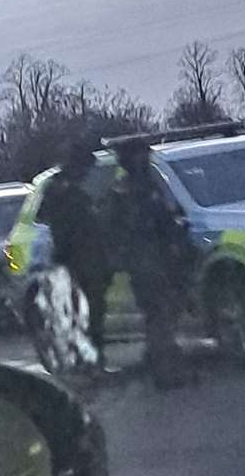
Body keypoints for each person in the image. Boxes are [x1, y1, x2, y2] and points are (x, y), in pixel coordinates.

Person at [111, 138, 193, 389]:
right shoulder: (133, 191)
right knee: (159, 316)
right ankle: (165, 372)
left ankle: (160, 363)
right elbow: (147, 226)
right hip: (147, 264)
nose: (146, 158)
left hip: (152, 262)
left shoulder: (142, 186)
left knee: (160, 316)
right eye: (141, 154)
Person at [38, 135, 113, 367]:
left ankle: (92, 361)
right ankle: (87, 363)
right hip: (75, 261)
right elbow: (58, 224)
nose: (86, 173)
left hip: (86, 260)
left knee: (92, 312)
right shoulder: (63, 190)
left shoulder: (71, 189)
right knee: (83, 314)